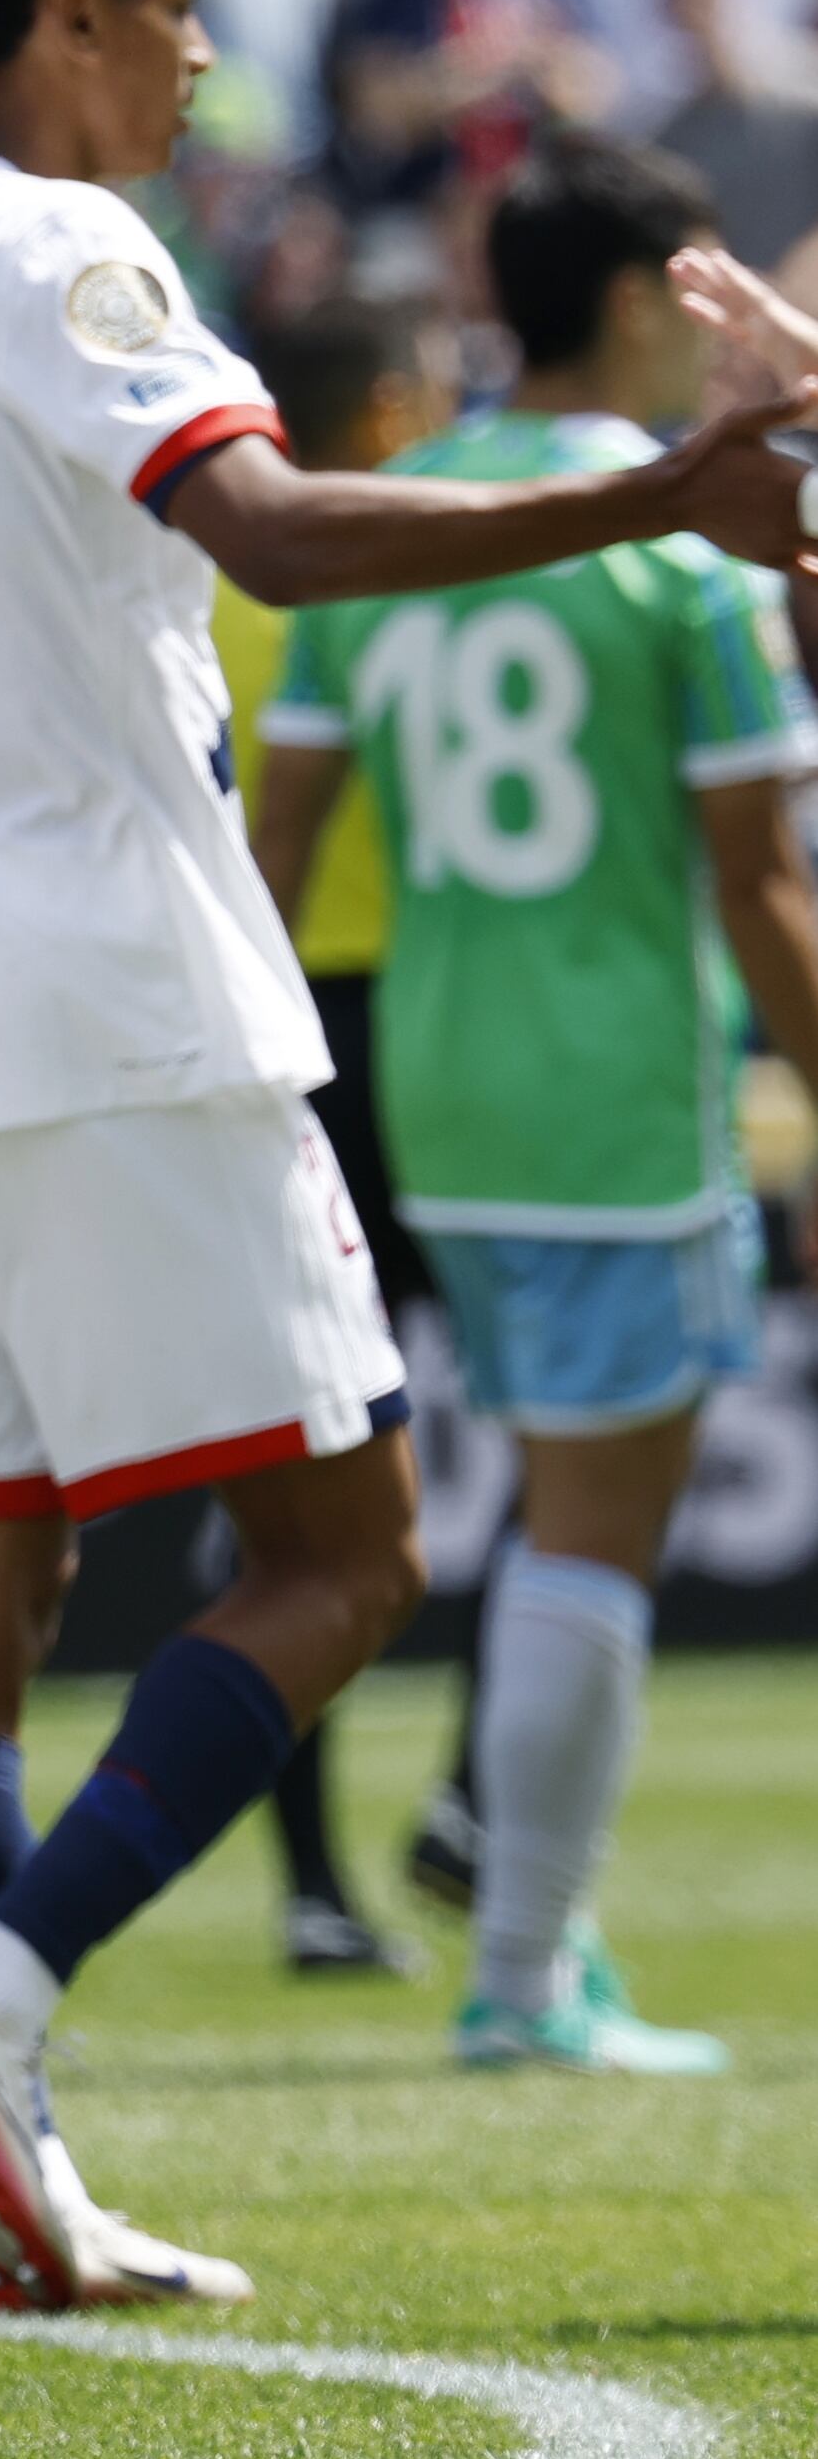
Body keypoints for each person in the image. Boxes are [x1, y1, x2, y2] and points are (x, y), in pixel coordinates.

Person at [0, 0, 808, 2311]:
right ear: (71, 12)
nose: (209, 54)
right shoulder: (57, 243)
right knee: (351, 1560)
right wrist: (667, 494)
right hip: (117, 1001)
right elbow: (275, 532)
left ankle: (0, 2199)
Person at [253, 134, 818, 2078]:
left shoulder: (390, 519)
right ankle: (523, 1971)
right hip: (615, 1100)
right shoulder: (687, 551)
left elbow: (279, 841)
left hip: (433, 1085)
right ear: (649, 297)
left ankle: (529, 1954)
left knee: (548, 1515)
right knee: (593, 1534)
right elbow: (760, 882)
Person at [208, 300, 449, 1980]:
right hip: (413, 1031)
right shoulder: (389, 580)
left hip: (259, 1043)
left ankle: (311, 1881)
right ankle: (486, 1806)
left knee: (290, 1493)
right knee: (570, 1441)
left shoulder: (191, 580)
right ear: (379, 412)